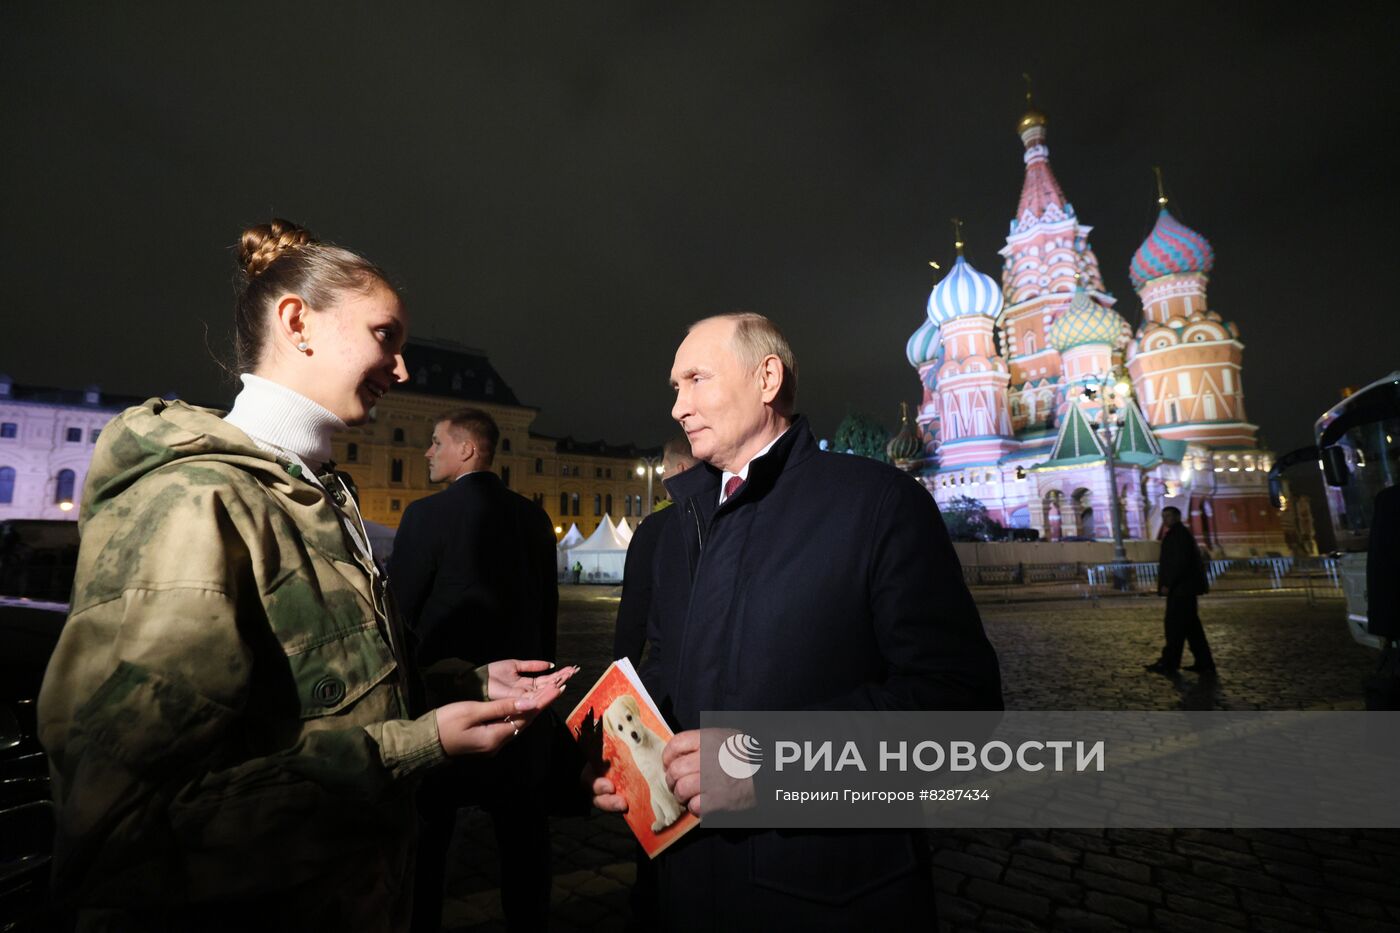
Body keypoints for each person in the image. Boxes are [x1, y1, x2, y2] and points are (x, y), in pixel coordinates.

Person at [36, 219, 570, 932]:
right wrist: (420, 744)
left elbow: (313, 705)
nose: (404, 369)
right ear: (297, 324)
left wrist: (461, 685)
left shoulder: (317, 494)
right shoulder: (197, 504)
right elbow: (123, 827)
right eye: (386, 337)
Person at [591, 312, 1003, 930]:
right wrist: (629, 760)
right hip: (678, 892)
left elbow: (959, 710)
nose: (679, 407)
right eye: (675, 388)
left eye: (696, 379)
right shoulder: (671, 530)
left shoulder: (879, 504)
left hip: (824, 898)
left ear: (767, 378)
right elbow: (663, 677)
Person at [390, 408, 561, 932]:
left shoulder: (425, 516)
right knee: (524, 842)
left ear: (467, 449)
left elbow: (398, 613)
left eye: (436, 442)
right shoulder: (533, 516)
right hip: (522, 705)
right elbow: (546, 610)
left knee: (429, 839)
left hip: (449, 703)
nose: (427, 452)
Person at [613, 435, 699, 668]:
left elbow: (634, 614)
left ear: (681, 469)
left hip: (672, 670)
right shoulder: (730, 515)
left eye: (665, 469)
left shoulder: (655, 528)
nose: (662, 477)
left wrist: (621, 671)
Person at [1146, 505, 1216, 674]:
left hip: (1180, 590)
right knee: (1192, 629)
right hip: (1185, 589)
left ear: (1177, 517)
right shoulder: (1181, 534)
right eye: (1163, 516)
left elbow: (1178, 564)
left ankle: (1169, 662)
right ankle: (1204, 663)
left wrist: (1168, 584)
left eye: (1168, 516)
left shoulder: (1177, 536)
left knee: (1174, 628)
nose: (1165, 519)